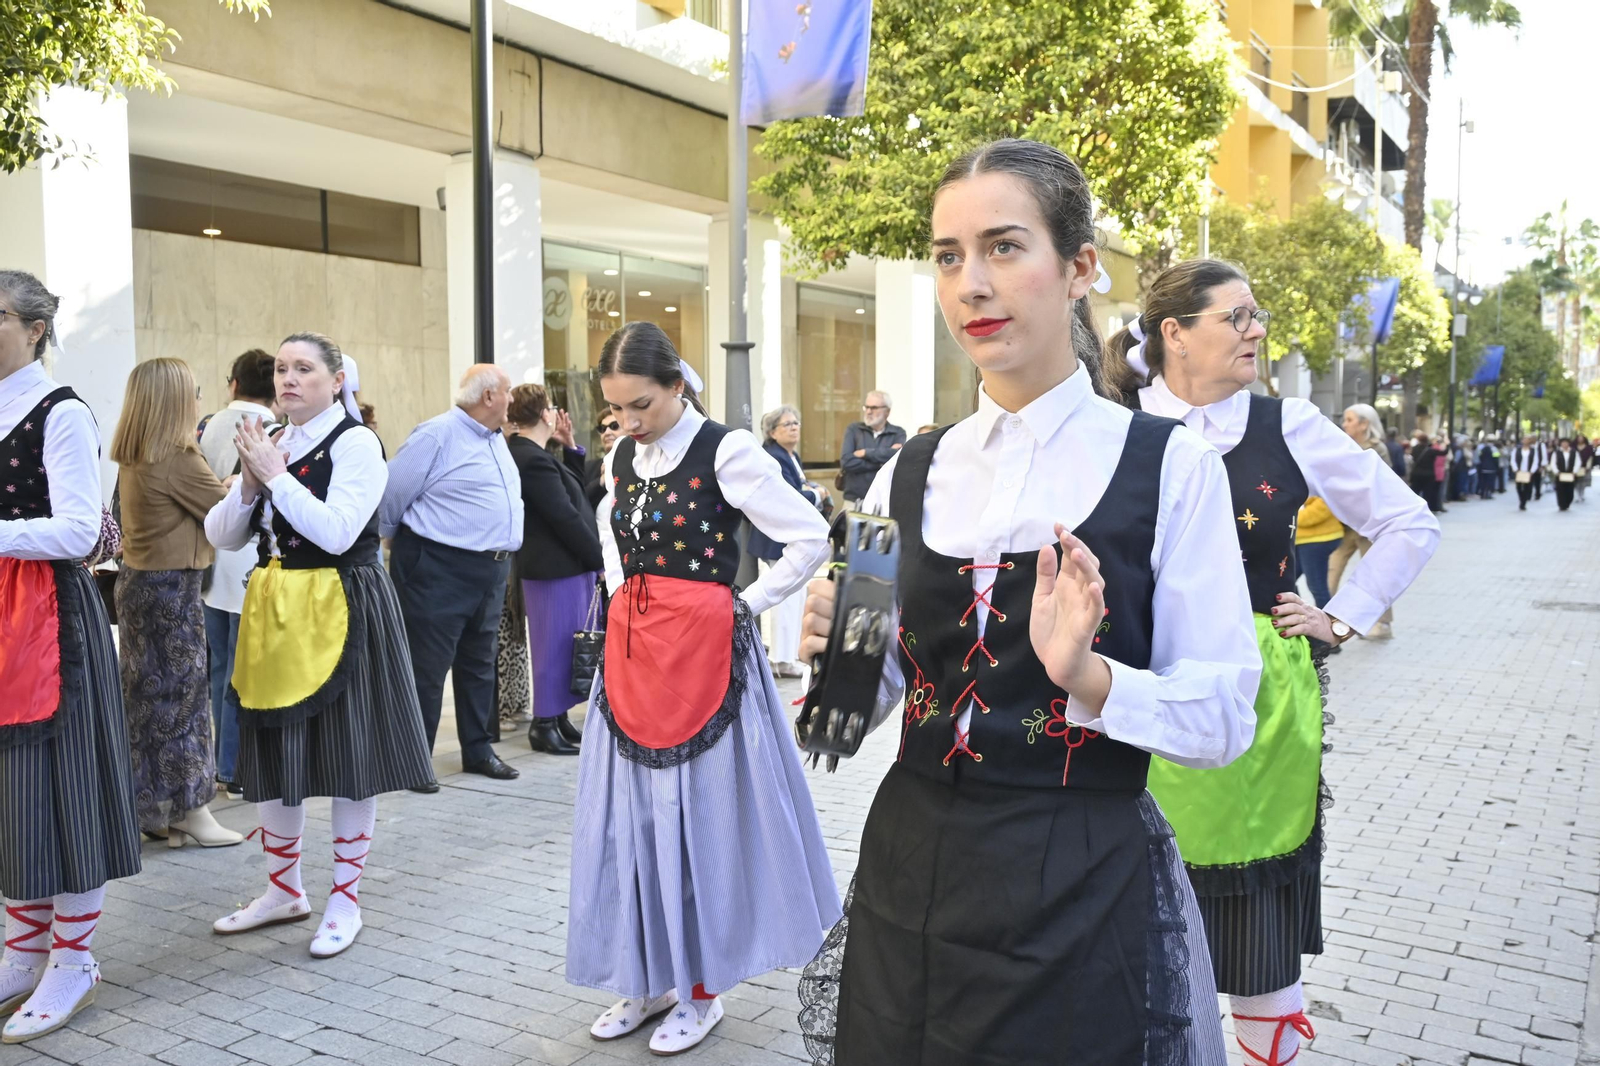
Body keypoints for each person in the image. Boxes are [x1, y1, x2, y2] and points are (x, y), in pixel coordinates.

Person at [799, 141, 1256, 1066]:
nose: (971, 283)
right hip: (911, 868)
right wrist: (841, 652)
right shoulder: (902, 474)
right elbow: (878, 697)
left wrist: (1089, 677)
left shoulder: (1171, 468)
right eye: (948, 255)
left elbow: (1224, 718)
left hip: (1077, 876)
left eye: (1004, 247)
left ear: (1081, 268)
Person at [1115, 257, 1440, 1066]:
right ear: (1175, 334)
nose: (1257, 330)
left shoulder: (1286, 425)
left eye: (1257, 316)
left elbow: (1410, 523)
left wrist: (1340, 617)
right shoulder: (1112, 423)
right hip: (1131, 692)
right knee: (1132, 923)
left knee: (1253, 932)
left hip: (1258, 703)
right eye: (1238, 317)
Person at [567, 321, 839, 1056]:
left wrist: (743, 605)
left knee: (698, 824)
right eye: (617, 409)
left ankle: (702, 990)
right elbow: (610, 538)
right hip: (635, 660)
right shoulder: (625, 454)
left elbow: (811, 536)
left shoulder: (728, 450)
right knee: (634, 823)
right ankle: (649, 976)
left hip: (709, 663)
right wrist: (629, 603)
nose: (627, 422)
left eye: (641, 405)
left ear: (678, 386)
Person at [204, 331, 434, 957]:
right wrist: (249, 486)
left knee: (348, 755)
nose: (288, 379)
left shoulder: (357, 443)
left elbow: (336, 533)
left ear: (337, 381)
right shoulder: (272, 442)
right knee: (279, 752)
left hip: (344, 605)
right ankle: (284, 890)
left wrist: (276, 479)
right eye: (281, 369)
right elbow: (222, 535)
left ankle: (345, 899)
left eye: (304, 368)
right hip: (278, 609)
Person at [0, 271, 142, 1044]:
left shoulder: (62, 411)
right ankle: (24, 951)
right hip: (1, 614)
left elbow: (80, 530)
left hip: (51, 619)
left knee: (63, 785)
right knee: (13, 792)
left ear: (34, 329)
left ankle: (74, 957)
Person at [110, 358, 243, 849]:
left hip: (139, 584)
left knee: (146, 703)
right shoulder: (177, 457)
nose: (200, 400)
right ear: (174, 400)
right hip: (172, 591)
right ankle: (193, 809)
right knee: (183, 702)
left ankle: (154, 809)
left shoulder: (134, 452)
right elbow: (224, 514)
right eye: (194, 391)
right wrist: (237, 481)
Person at [380, 364, 524, 786]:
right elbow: (391, 493)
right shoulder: (437, 434)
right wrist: (393, 540)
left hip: (492, 568)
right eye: (508, 391)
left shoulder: (496, 438)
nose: (511, 399)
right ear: (488, 397)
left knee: (480, 663)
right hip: (439, 567)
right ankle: (412, 760)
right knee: (427, 667)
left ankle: (477, 750)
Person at [198, 348, 278, 800]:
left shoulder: (207, 425)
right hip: (252, 562)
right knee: (242, 673)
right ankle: (233, 767)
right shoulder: (273, 431)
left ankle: (218, 765)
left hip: (212, 557)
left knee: (218, 668)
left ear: (233, 383)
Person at [506, 383, 602, 754]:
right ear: (544, 413)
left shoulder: (537, 454)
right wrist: (598, 560)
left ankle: (557, 718)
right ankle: (543, 724)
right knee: (552, 648)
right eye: (551, 407)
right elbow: (565, 516)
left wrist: (570, 444)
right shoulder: (528, 457)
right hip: (552, 570)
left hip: (563, 568)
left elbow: (576, 493)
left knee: (564, 646)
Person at [751, 405, 826, 678]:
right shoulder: (774, 456)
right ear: (772, 431)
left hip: (791, 537)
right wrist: (817, 495)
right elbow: (790, 496)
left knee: (794, 598)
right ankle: (782, 659)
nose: (794, 427)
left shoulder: (790, 455)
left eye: (796, 422)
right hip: (779, 537)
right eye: (787, 424)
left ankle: (788, 655)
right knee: (786, 600)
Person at [1328, 405, 1396, 639]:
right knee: (1332, 567)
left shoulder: (1377, 450)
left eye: (1349, 420)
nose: (1345, 424)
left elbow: (1379, 485)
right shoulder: (1342, 446)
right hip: (1345, 524)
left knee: (1375, 574)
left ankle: (1383, 624)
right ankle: (1326, 617)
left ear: (1364, 424)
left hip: (1369, 526)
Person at [837, 391, 905, 505]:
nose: (868, 412)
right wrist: (881, 463)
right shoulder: (854, 430)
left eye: (874, 408)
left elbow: (897, 460)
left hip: (884, 501)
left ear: (887, 412)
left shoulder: (897, 433)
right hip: (855, 500)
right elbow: (846, 462)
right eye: (866, 407)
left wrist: (865, 453)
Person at [1294, 497, 1342, 610]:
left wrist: (1286, 515)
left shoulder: (1322, 488)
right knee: (1287, 581)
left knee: (1317, 587)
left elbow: (1311, 515)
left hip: (1317, 541)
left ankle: (1328, 621)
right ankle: (1299, 614)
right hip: (1301, 541)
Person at [585, 408, 624, 508]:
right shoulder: (590, 468)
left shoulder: (641, 464)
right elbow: (580, 504)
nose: (607, 432)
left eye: (614, 426)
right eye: (602, 429)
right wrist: (602, 480)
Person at [1407, 432, 1444, 513]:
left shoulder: (1414, 449)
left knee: (1415, 492)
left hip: (1417, 474)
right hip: (1428, 474)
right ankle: (1427, 510)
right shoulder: (1431, 451)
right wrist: (1446, 443)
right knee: (1428, 493)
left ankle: (1414, 509)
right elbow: (1443, 452)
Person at [1509, 435, 1541, 511]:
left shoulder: (1533, 450)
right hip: (1519, 471)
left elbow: (1535, 461)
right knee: (1519, 487)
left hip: (1528, 472)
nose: (1526, 441)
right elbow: (1513, 460)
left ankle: (1524, 502)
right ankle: (1521, 499)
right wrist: (1515, 469)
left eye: (1527, 439)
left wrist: (1532, 471)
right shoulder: (1516, 450)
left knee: (1528, 487)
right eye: (1524, 439)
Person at [1552, 438, 1579, 511]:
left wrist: (1574, 471)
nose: (1564, 444)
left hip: (1570, 474)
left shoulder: (1574, 452)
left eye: (1566, 443)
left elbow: (1577, 462)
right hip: (1560, 474)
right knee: (1560, 490)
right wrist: (1556, 472)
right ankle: (1561, 504)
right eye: (1563, 443)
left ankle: (1568, 502)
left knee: (1570, 490)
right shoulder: (1557, 452)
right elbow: (1553, 463)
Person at [1577, 435, 1593, 504]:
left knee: (1583, 482)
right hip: (1576, 468)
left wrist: (1587, 466)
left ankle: (1582, 494)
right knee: (1577, 482)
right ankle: (1577, 495)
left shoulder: (1588, 447)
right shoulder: (1574, 447)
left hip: (1585, 467)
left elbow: (1590, 457)